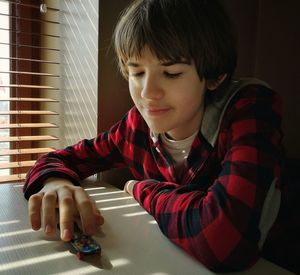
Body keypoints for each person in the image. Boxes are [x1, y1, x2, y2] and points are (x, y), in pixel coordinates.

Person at [23, 0, 290, 272]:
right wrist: (55, 181)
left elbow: (221, 241)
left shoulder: (249, 110)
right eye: (136, 72)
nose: (148, 92)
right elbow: (60, 158)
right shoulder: (136, 128)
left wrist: (142, 188)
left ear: (215, 76)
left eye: (171, 73)